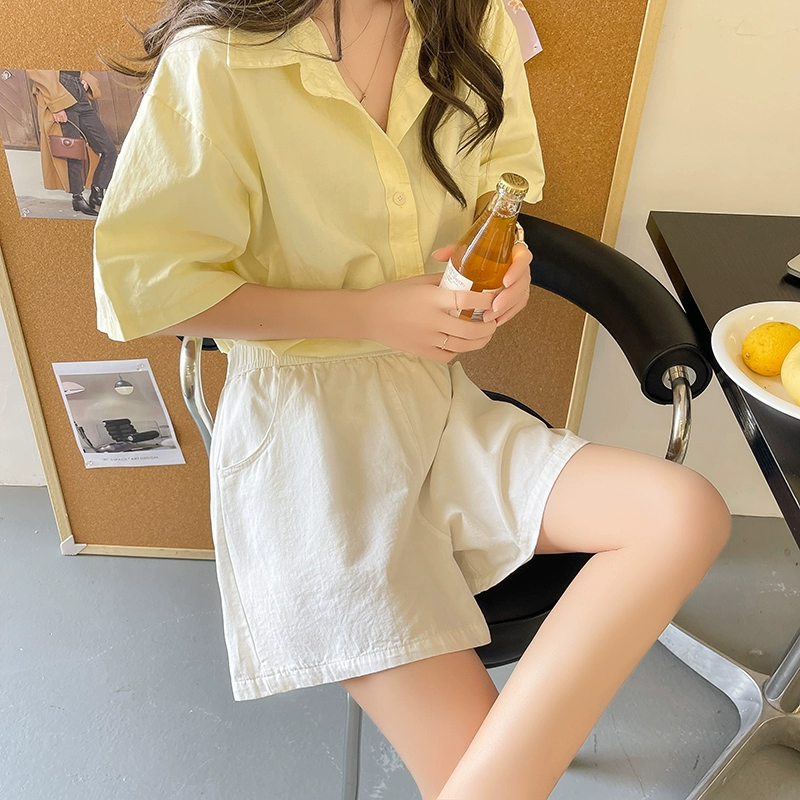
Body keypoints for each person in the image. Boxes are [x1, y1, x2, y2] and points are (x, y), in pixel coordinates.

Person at [92, 0, 732, 797]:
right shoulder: (220, 57)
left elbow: (500, 197)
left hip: (441, 410)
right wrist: (369, 314)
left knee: (685, 513)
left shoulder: (475, 23)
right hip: (306, 442)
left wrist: (509, 265)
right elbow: (146, 293)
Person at [27, 70, 118, 216]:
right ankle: (77, 198)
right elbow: (37, 72)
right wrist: (57, 105)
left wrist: (86, 79)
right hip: (61, 93)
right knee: (73, 152)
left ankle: (97, 191)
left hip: (80, 94)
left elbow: (81, 69)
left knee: (109, 150)